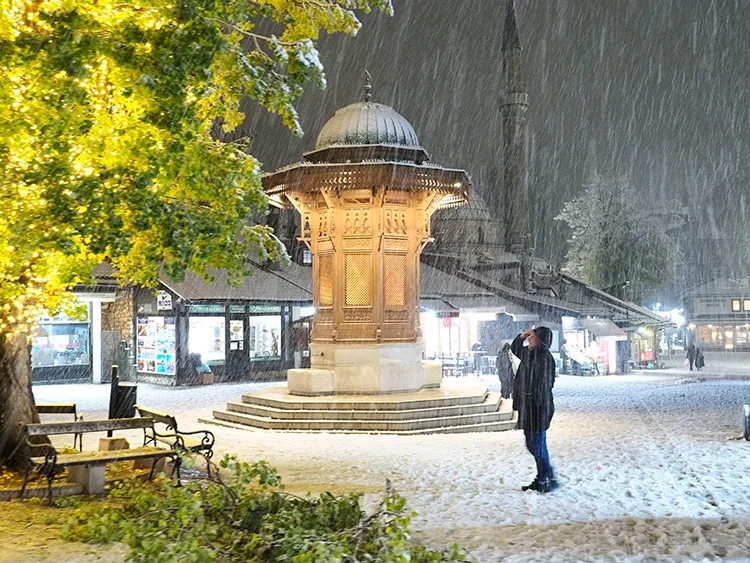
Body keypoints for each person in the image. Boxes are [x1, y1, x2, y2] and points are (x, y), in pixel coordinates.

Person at [511, 326, 558, 493]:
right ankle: (544, 477)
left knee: (536, 444)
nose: (530, 339)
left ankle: (547, 477)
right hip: (530, 407)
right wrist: (522, 335)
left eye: (533, 336)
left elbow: (544, 385)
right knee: (535, 444)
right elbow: (515, 348)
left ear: (540, 340)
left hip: (538, 408)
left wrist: (531, 399)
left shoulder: (544, 358)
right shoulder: (530, 353)